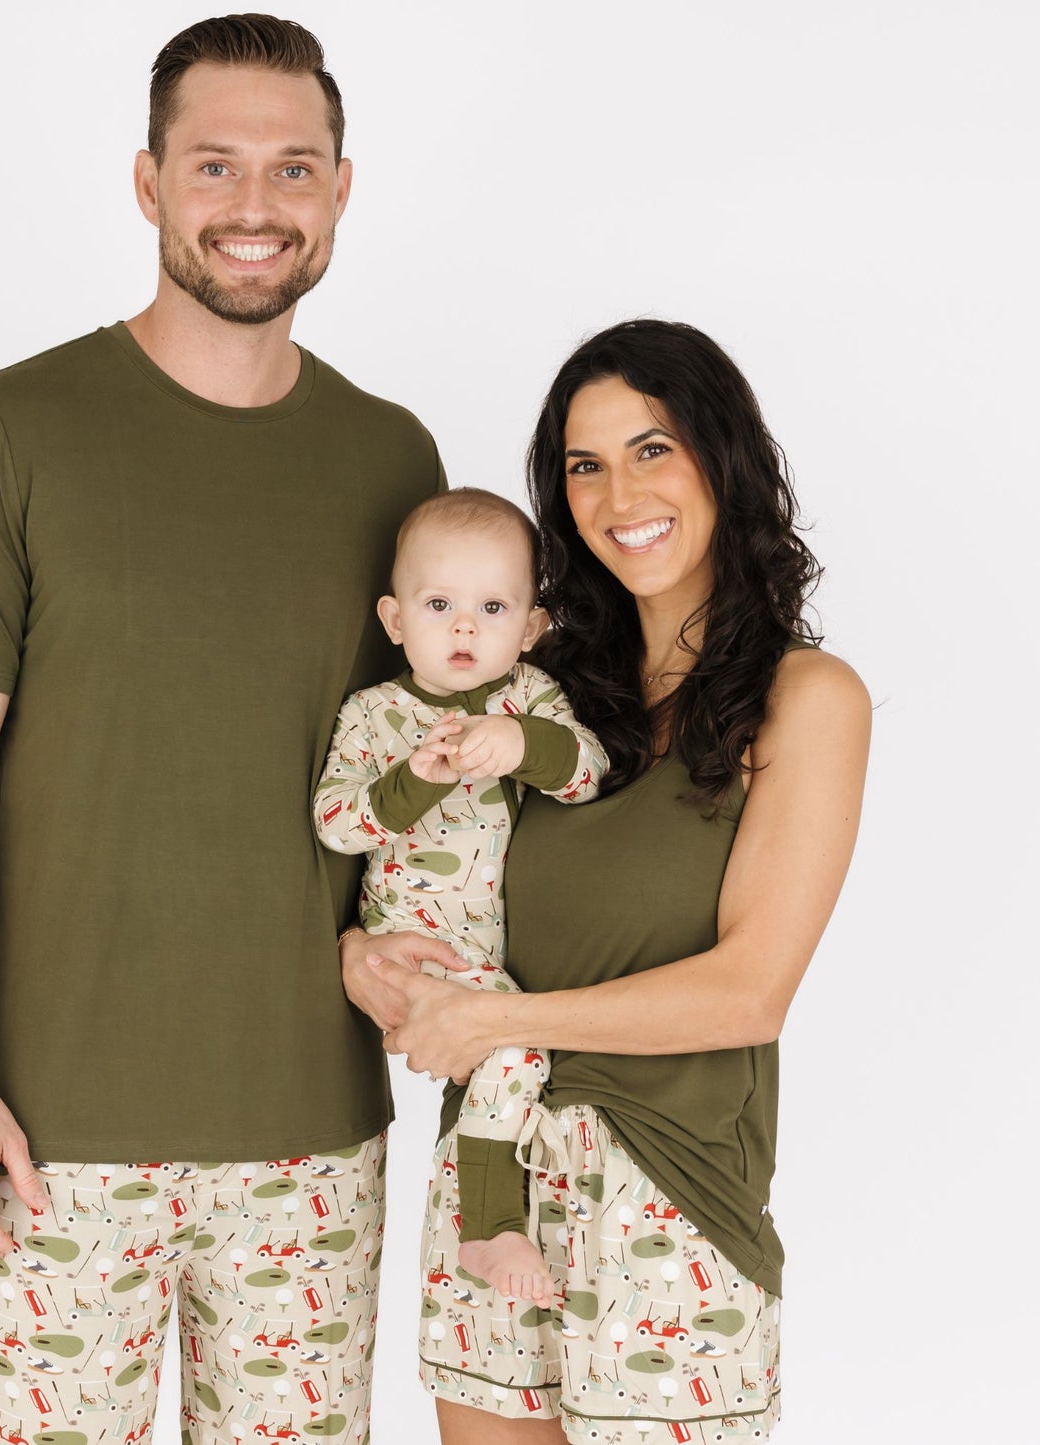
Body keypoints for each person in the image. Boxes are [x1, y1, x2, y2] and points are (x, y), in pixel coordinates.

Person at [0, 15, 458, 1443]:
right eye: (214, 165)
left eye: (292, 167)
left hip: (312, 1132)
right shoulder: (9, 430)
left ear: (340, 189)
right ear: (148, 183)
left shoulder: (393, 460)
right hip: (53, 1135)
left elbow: (416, 772)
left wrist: (402, 952)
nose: (255, 204)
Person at [342, 319, 871, 1442]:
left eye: (652, 448)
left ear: (722, 457)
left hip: (666, 1199)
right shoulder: (529, 689)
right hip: (491, 1182)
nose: (617, 493)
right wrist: (357, 952)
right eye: (583, 464)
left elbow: (747, 992)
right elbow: (415, 860)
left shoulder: (806, 698)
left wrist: (497, 1019)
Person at [313, 488, 609, 1309]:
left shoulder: (531, 698)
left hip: (489, 956)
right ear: (394, 618)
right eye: (439, 605)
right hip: (409, 945)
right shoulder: (375, 713)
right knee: (515, 1053)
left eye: (493, 608)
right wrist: (413, 780)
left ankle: (492, 1224)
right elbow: (335, 823)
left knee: (515, 1059)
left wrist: (521, 743)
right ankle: (486, 1225)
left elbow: (587, 773)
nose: (465, 629)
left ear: (531, 627)